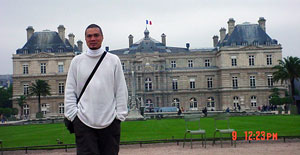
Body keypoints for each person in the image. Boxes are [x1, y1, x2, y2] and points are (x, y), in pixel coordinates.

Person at [64, 24, 128, 155]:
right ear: (85, 39)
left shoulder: (113, 60)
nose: (93, 38)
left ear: (102, 37)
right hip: (83, 122)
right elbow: (70, 90)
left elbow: (121, 90)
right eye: (89, 36)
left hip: (110, 122)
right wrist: (74, 116)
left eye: (96, 35)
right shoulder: (77, 61)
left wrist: (119, 116)